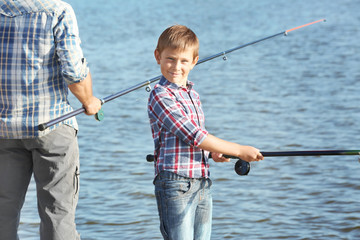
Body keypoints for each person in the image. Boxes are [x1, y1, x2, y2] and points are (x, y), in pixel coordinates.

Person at [147, 25, 264, 240]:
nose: (176, 66)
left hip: (202, 181)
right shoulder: (160, 95)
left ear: (194, 61)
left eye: (184, 61)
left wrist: (211, 154)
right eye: (170, 59)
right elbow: (194, 136)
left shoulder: (194, 95)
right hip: (175, 183)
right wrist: (239, 150)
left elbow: (197, 139)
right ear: (158, 56)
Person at [0, 0, 102, 239]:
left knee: (2, 213)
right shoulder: (58, 11)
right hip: (52, 126)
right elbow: (74, 74)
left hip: (4, 131)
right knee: (57, 215)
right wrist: (89, 101)